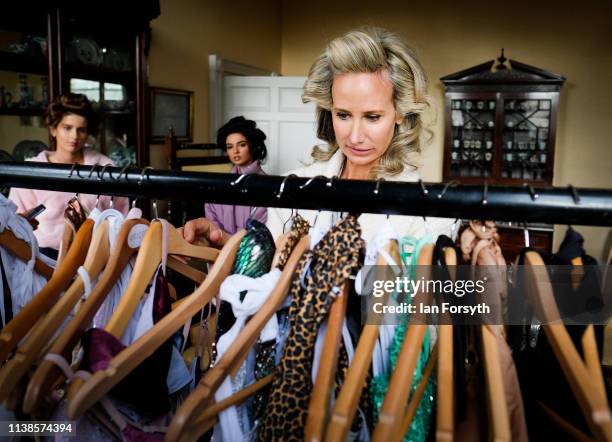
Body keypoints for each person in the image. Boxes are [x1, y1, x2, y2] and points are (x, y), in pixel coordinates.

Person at [182, 27, 456, 246]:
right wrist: (221, 244)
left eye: (372, 117)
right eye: (344, 115)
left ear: (400, 114)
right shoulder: (294, 188)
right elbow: (267, 266)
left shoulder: (428, 215)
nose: (355, 136)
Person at [9, 93, 128, 258]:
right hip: (44, 256)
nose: (74, 136)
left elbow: (122, 215)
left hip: (96, 255)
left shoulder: (104, 166)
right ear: (53, 129)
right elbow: (14, 223)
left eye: (81, 130)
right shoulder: (32, 170)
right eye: (67, 128)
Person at [202, 116, 268, 238]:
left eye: (241, 145)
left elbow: (258, 231)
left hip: (249, 251)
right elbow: (211, 218)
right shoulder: (220, 184)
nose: (235, 151)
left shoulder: (266, 185)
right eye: (230, 147)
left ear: (253, 146)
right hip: (219, 247)